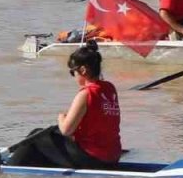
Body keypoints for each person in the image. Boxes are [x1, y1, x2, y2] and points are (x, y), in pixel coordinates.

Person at [8, 40, 122, 170]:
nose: (73, 76)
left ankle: (8, 170)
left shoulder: (86, 94)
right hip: (113, 157)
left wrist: (61, 117)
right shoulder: (110, 88)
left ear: (83, 70)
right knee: (49, 137)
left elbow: (66, 130)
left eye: (72, 72)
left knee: (36, 136)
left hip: (94, 159)